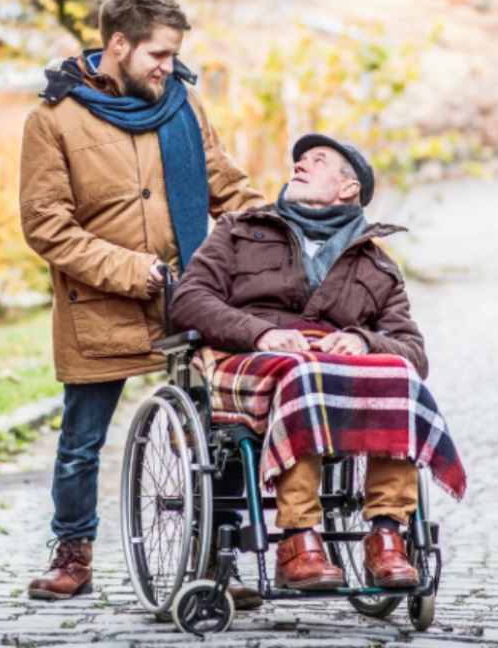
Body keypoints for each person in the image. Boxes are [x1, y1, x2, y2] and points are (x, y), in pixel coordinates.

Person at [19, 0, 264, 600]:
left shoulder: (181, 105)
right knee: (81, 444)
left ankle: (213, 564)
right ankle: (71, 555)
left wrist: (279, 231)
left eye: (174, 54)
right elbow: (47, 225)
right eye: (158, 53)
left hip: (188, 302)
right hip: (100, 305)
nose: (169, 66)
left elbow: (225, 185)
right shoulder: (52, 120)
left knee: (223, 431)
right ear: (119, 43)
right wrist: (134, 270)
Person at [170, 134, 466, 591]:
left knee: (399, 377)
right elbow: (189, 300)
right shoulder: (239, 231)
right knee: (304, 374)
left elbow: (413, 351)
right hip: (248, 359)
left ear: (348, 189)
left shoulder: (378, 267)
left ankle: (387, 536)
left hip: (329, 371)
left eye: (318, 160)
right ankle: (298, 537)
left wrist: (364, 341)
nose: (300, 164)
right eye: (300, 159)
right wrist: (262, 333)